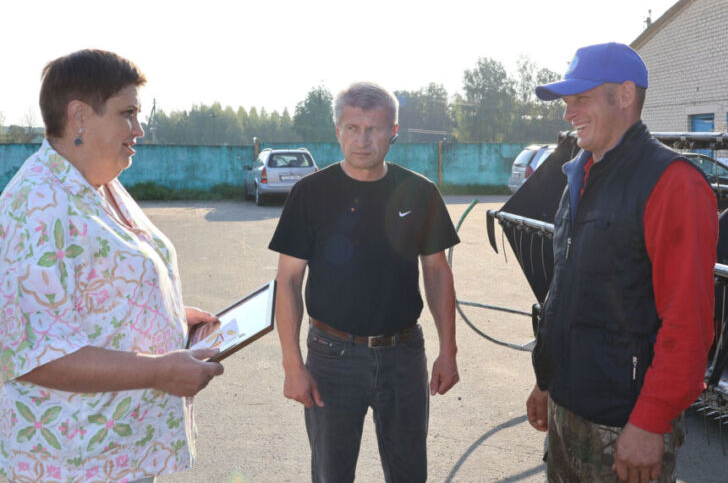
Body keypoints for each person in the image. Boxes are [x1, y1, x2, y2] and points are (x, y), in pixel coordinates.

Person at [0, 50, 224, 483]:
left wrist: (171, 316)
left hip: (116, 451)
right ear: (79, 116)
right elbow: (33, 355)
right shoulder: (36, 206)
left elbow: (88, 296)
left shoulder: (98, 185)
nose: (139, 129)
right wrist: (159, 370)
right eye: (128, 113)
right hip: (72, 462)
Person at [525, 42, 718, 482]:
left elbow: (688, 321)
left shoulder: (672, 182)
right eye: (566, 102)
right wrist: (546, 379)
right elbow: (566, 291)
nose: (567, 113)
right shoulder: (580, 173)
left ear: (625, 95)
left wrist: (651, 420)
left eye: (581, 98)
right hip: (567, 409)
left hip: (624, 426)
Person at [270, 81, 460, 482]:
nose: (362, 140)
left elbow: (437, 272)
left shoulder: (420, 192)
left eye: (373, 129)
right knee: (332, 474)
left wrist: (449, 351)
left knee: (410, 474)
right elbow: (288, 281)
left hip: (404, 355)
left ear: (393, 131)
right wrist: (292, 364)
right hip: (331, 357)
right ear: (337, 130)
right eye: (352, 128)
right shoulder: (309, 194)